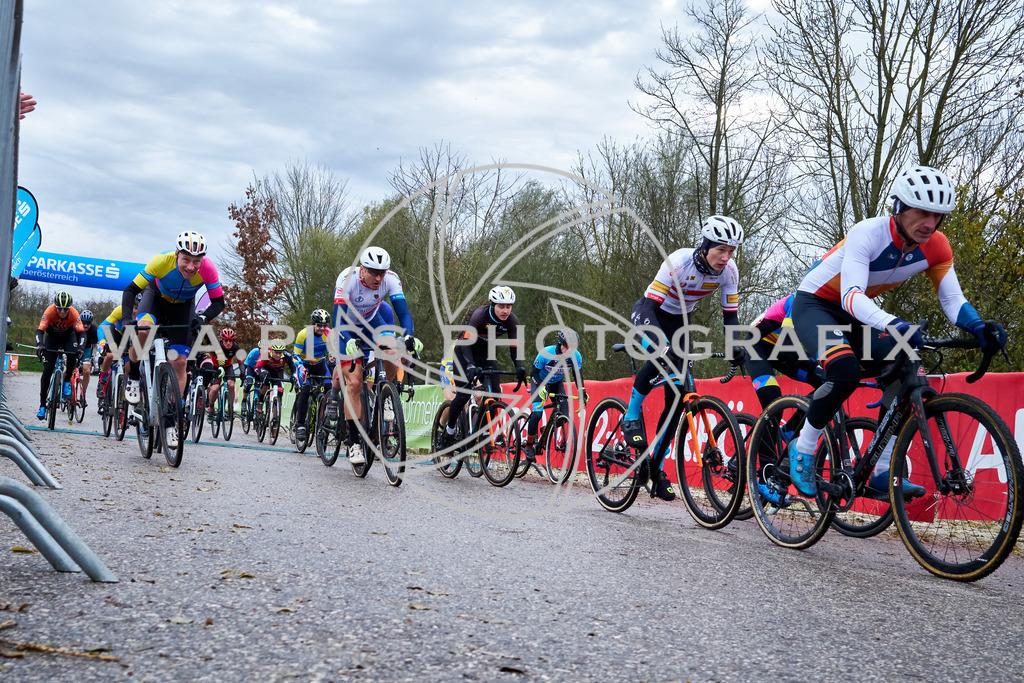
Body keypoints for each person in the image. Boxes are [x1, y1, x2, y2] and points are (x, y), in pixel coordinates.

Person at [787, 165, 1007, 497]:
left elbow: (951, 298)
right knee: (844, 370)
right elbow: (851, 295)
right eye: (922, 213)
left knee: (906, 366)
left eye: (938, 216)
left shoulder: (937, 246)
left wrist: (978, 326)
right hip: (816, 304)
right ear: (899, 208)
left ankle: (882, 469)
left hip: (856, 312)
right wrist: (894, 324)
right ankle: (803, 448)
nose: (930, 224)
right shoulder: (869, 232)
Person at [620, 216, 746, 501]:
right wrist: (660, 344)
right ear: (706, 246)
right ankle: (630, 415)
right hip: (651, 314)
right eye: (721, 250)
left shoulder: (729, 272)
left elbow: (731, 317)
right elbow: (650, 306)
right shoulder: (679, 262)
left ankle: (656, 465)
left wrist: (735, 344)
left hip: (682, 320)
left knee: (678, 401)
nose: (726, 258)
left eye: (731, 251)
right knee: (661, 356)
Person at [120, 232, 225, 429]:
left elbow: (219, 302)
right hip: (155, 300)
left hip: (183, 308)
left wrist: (203, 318)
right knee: (143, 332)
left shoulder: (208, 269)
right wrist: (126, 319)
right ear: (177, 254)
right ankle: (134, 374)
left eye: (196, 261)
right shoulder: (161, 262)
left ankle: (170, 420)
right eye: (186, 260)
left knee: (180, 362)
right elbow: (131, 290)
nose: (191, 267)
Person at [328, 247, 421, 466]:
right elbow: (338, 318)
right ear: (362, 269)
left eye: (382, 272)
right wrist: (348, 340)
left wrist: (408, 336)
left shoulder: (391, 279)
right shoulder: (347, 278)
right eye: (373, 272)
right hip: (346, 326)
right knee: (355, 382)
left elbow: (404, 314)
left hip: (372, 321)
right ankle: (353, 442)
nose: (379, 278)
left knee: (392, 349)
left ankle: (386, 393)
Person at [440, 285, 527, 447]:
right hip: (464, 352)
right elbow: (465, 343)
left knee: (494, 395)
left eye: (508, 307)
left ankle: (480, 432)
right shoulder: (479, 315)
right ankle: (449, 432)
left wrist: (519, 367)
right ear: (493, 305)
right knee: (464, 393)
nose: (505, 311)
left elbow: (514, 348)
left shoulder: (512, 321)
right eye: (501, 306)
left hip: (485, 354)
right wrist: (471, 365)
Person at [523, 329, 586, 464]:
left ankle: (546, 430)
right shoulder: (546, 353)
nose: (570, 350)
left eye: (573, 347)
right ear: (560, 344)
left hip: (556, 383)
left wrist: (582, 392)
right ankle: (528, 445)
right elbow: (533, 374)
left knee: (563, 417)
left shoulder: (576, 356)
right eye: (567, 347)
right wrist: (540, 387)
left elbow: (578, 376)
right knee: (538, 414)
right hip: (539, 381)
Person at [34, 291, 86, 419]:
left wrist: (80, 347)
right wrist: (40, 344)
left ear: (70, 308)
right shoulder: (49, 311)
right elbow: (40, 331)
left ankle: (67, 381)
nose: (63, 311)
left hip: (68, 337)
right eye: (60, 309)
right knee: (47, 370)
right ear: (56, 307)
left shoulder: (74, 313)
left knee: (73, 354)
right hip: (52, 338)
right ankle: (42, 406)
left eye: (66, 309)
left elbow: (82, 333)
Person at [291, 309, 333, 446]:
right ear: (313, 324)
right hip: (304, 365)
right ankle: (301, 425)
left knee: (329, 387)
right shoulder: (303, 335)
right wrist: (301, 368)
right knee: (305, 390)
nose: (322, 328)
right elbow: (295, 355)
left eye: (324, 325)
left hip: (320, 364)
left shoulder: (329, 334)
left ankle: (325, 416)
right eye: (319, 325)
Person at [96, 291, 143, 404]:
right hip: (116, 335)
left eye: (139, 308)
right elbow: (102, 327)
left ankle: (123, 401)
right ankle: (102, 381)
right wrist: (102, 344)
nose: (136, 311)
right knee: (111, 355)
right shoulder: (120, 310)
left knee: (129, 367)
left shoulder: (145, 314)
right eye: (134, 307)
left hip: (131, 338)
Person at [197, 328, 242, 422]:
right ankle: (211, 408)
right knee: (215, 388)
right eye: (226, 340)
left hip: (228, 367)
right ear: (222, 340)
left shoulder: (235, 347)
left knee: (231, 385)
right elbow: (219, 358)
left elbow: (240, 362)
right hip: (215, 367)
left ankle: (230, 408)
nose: (228, 343)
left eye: (231, 341)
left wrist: (243, 372)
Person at [78, 309, 99, 402]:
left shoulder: (94, 330)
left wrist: (93, 358)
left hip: (87, 350)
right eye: (84, 323)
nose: (86, 325)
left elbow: (95, 346)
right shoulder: (76, 327)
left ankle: (83, 394)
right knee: (66, 370)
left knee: (86, 371)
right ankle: (65, 390)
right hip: (75, 348)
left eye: (88, 323)